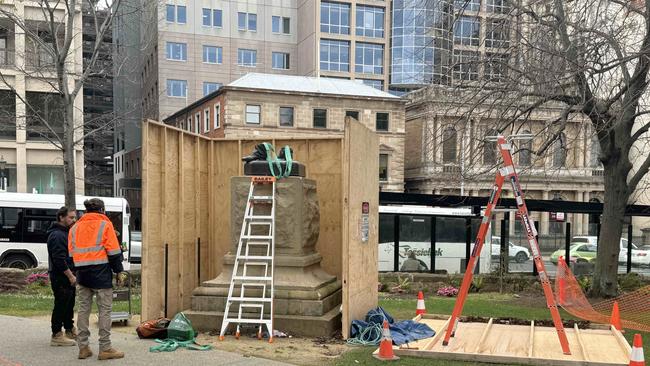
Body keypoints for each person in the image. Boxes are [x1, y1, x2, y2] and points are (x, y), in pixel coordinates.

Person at [69, 198, 126, 360]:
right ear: (102, 210)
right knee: (105, 311)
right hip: (101, 275)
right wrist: (118, 272)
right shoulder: (105, 225)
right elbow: (114, 253)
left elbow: (71, 255)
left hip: (82, 275)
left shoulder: (75, 227)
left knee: (83, 310)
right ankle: (105, 348)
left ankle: (83, 347)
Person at [47, 206, 77, 346]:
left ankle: (69, 329)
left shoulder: (66, 233)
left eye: (74, 217)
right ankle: (57, 334)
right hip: (61, 276)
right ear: (61, 217)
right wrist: (70, 276)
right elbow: (59, 259)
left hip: (67, 276)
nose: (73, 220)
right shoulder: (57, 235)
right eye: (71, 217)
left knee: (68, 305)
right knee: (61, 305)